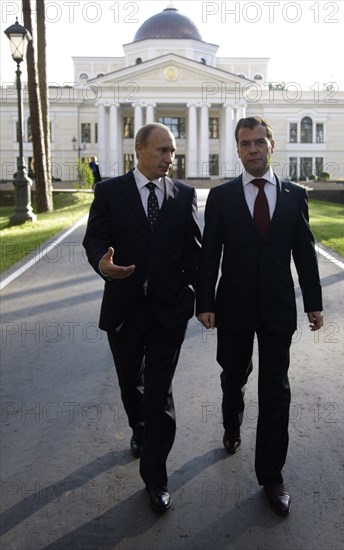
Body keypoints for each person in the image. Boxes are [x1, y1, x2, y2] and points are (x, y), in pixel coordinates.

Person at [196, 116, 323, 516]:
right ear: (238, 149)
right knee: (234, 377)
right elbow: (209, 254)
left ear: (272, 145)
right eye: (245, 143)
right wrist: (204, 302)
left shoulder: (294, 195)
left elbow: (304, 252)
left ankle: (271, 476)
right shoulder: (221, 197)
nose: (252, 149)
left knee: (276, 390)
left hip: (277, 310)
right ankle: (231, 425)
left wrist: (314, 303)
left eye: (259, 142)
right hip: (232, 309)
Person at [83, 123, 202, 512]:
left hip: (169, 311)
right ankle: (138, 429)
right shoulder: (109, 192)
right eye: (163, 150)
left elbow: (195, 251)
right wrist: (102, 263)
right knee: (130, 385)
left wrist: (204, 299)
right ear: (139, 149)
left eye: (173, 151)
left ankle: (156, 478)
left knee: (159, 393)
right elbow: (95, 238)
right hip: (124, 310)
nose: (170, 158)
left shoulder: (184, 195)